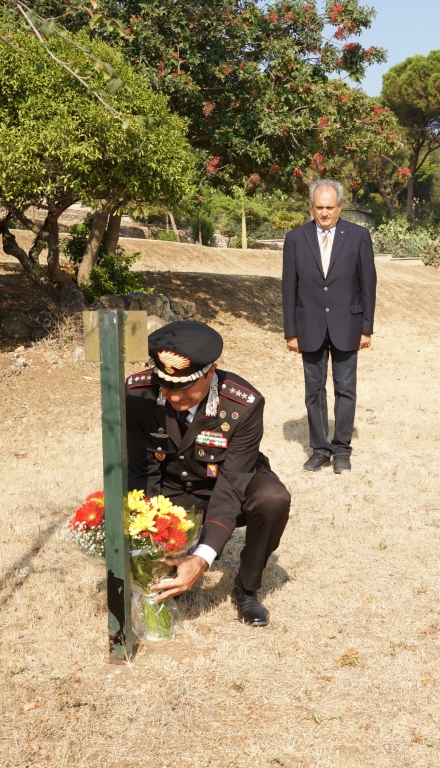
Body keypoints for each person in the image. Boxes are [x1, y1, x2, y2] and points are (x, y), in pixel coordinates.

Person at [125, 320, 291, 626]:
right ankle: (169, 571)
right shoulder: (138, 394)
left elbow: (231, 487)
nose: (175, 397)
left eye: (186, 388)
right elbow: (140, 474)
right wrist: (150, 540)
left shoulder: (244, 405)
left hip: (227, 485)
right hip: (172, 490)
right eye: (167, 386)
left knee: (272, 498)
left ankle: (247, 587)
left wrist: (202, 558)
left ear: (210, 372)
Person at [281, 179, 377, 474]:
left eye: (330, 207)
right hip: (309, 326)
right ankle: (320, 449)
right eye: (319, 207)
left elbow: (368, 284)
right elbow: (289, 286)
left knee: (345, 389)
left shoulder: (359, 236)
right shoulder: (295, 238)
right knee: (314, 390)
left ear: (340, 207)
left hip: (347, 325)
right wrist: (291, 331)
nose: (324, 213)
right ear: (312, 206)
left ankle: (342, 450)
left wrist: (366, 327)